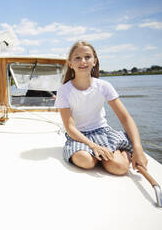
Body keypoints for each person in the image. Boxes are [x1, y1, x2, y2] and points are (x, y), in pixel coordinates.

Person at [54, 41, 147, 175]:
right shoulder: (64, 90)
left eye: (87, 57)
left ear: (95, 61)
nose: (83, 61)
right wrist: (93, 146)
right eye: (77, 58)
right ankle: (100, 155)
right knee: (85, 161)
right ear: (70, 63)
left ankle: (120, 150)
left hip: (102, 132)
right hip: (79, 136)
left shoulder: (104, 86)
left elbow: (125, 118)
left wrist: (138, 149)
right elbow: (70, 127)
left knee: (119, 168)